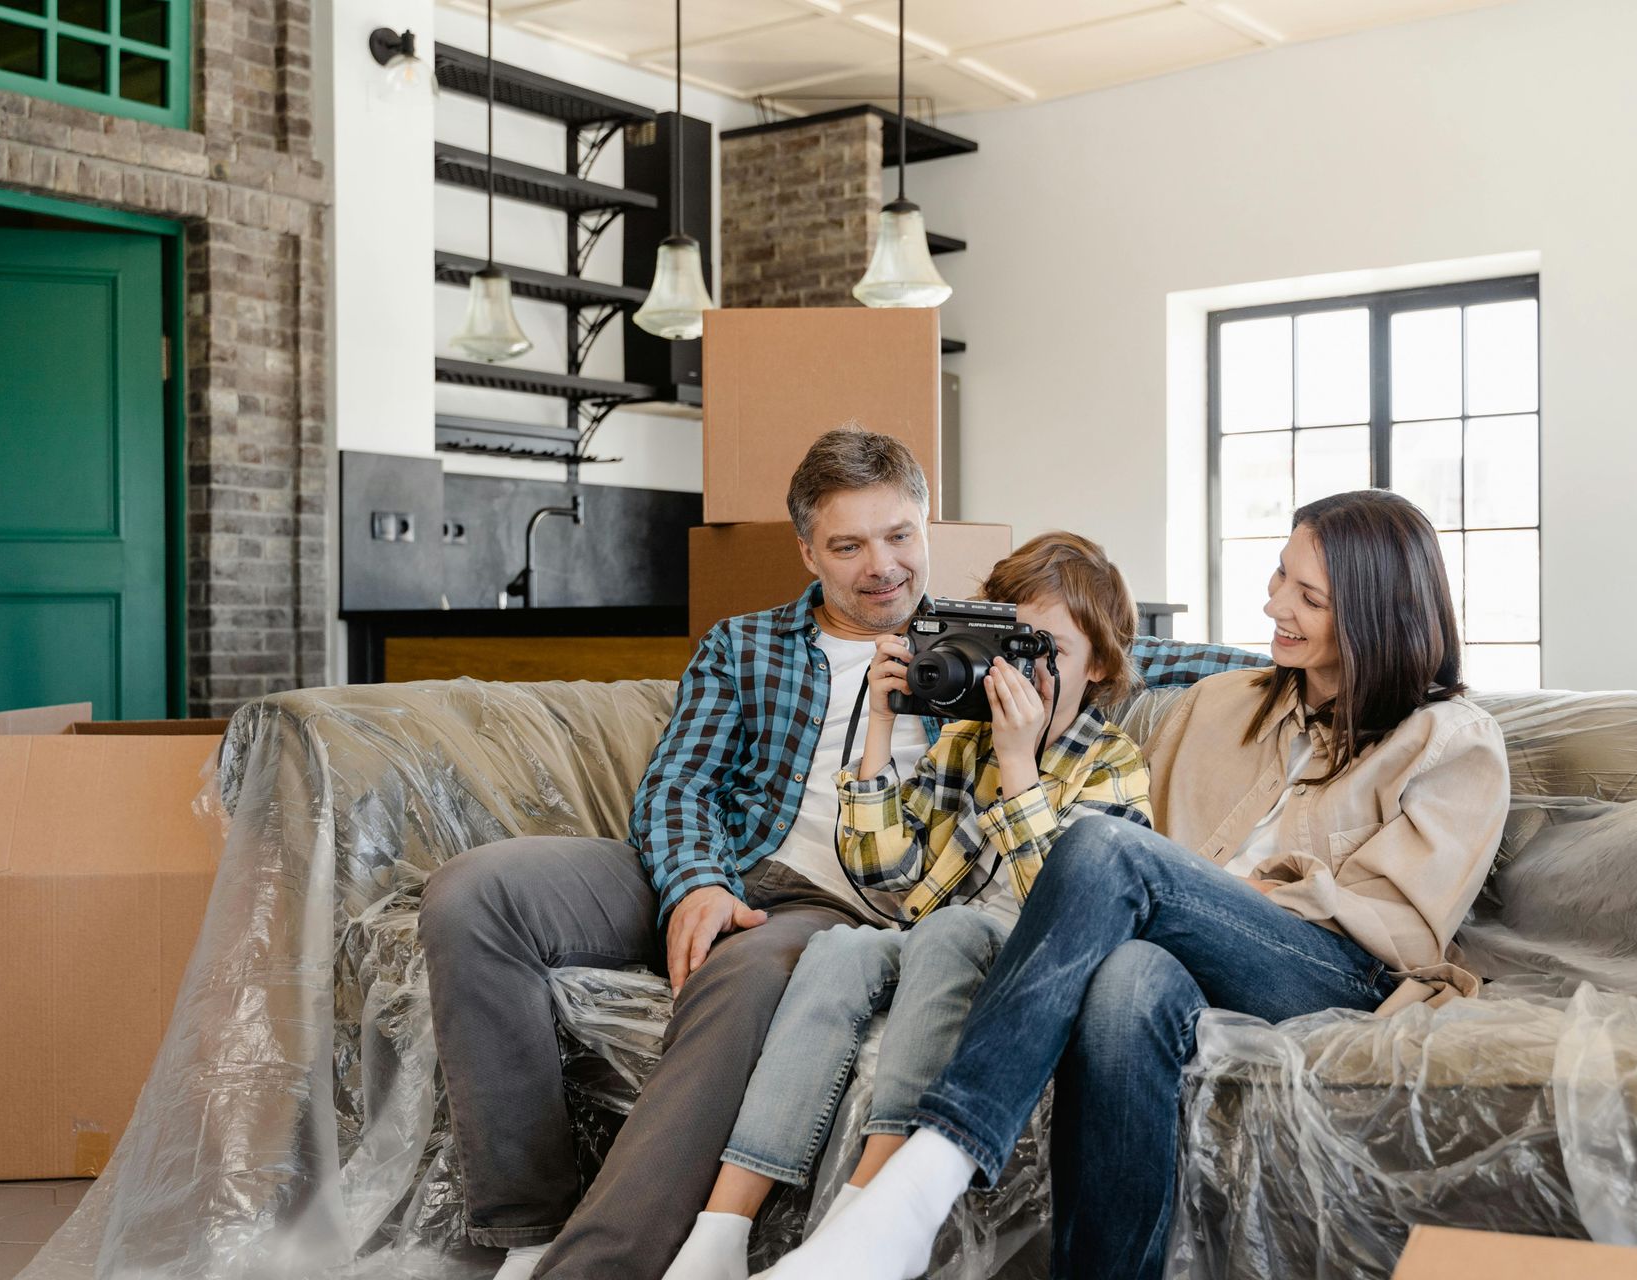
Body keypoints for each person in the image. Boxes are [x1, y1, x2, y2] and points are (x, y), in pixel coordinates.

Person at [417, 428, 1267, 1280]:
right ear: (807, 551)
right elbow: (677, 787)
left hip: (838, 903)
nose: (883, 567)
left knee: (742, 974)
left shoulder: (983, 644)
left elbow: (1119, 651)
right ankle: (525, 1226)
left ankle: (600, 1265)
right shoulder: (744, 647)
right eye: (849, 545)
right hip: (731, 861)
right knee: (473, 895)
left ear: (927, 528)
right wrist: (696, 883)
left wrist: (1329, 655)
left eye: (900, 536)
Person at [762, 488, 1511, 1280]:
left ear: (1374, 614)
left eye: (1308, 596)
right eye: (1278, 577)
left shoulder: (1451, 740)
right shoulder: (1224, 702)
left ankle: (931, 1170)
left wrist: (1256, 893)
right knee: (1124, 981)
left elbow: (1405, 925)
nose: (1273, 604)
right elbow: (1093, 658)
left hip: (1332, 968)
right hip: (1177, 947)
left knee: (1104, 845)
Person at [663, 533, 1154, 1280]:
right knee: (842, 948)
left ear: (1102, 667)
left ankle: (866, 1208)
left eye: (1048, 650)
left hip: (1031, 966)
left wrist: (1021, 763)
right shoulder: (962, 742)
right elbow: (883, 873)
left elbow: (1072, 905)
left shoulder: (1112, 763)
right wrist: (882, 727)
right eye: (1010, 649)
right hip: (924, 935)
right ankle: (722, 1228)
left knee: (953, 929)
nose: (1022, 676)